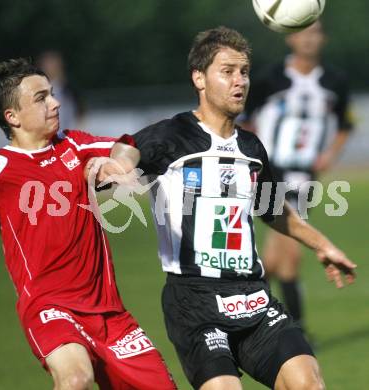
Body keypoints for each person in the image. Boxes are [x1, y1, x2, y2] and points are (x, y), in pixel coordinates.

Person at [110, 26, 356, 390]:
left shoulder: (252, 148)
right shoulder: (170, 135)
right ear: (199, 78)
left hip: (253, 297)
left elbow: (274, 210)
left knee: (308, 382)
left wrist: (322, 244)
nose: (239, 81)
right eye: (227, 72)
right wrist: (117, 166)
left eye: (243, 72)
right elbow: (126, 148)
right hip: (195, 301)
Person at [0, 58, 176, 390]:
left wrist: (117, 163)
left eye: (51, 93)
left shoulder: (75, 145)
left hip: (110, 313)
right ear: (13, 117)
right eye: (41, 98)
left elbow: (127, 146)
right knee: (76, 378)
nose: (56, 102)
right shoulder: (2, 170)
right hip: (49, 307)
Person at [237, 21, 354, 332]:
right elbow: (244, 118)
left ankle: (255, 319)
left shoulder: (335, 81)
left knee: (278, 258)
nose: (309, 39)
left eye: (316, 32)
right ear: (290, 37)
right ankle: (293, 329)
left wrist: (329, 155)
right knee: (286, 254)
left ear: (323, 38)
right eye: (303, 32)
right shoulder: (269, 79)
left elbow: (345, 124)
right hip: (271, 173)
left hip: (305, 177)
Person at [36, 50, 84, 131]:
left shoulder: (68, 88)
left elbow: (80, 112)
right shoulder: (36, 89)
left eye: (52, 64)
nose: (50, 68)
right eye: (47, 64)